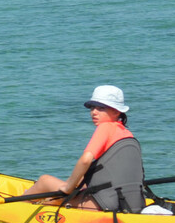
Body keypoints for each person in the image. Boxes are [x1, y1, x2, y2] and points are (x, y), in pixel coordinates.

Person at [16, 85, 146, 213]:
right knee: (57, 196)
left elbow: (85, 160)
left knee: (44, 180)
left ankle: (16, 209)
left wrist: (67, 187)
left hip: (102, 204)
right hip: (128, 203)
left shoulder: (106, 127)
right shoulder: (127, 135)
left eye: (101, 108)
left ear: (116, 111)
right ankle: (42, 204)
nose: (94, 112)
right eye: (92, 107)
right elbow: (102, 173)